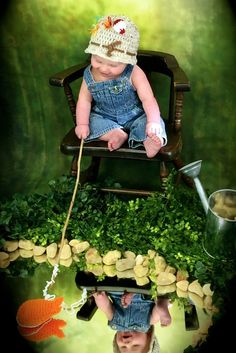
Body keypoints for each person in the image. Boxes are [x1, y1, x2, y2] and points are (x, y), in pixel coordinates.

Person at [75, 15, 167, 158]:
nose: (104, 69)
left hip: (135, 115)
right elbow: (84, 100)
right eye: (98, 61)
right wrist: (82, 124)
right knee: (91, 122)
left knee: (152, 123)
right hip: (104, 115)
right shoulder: (90, 74)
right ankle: (115, 133)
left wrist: (153, 122)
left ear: (127, 62)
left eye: (113, 65)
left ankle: (151, 140)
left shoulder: (134, 72)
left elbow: (148, 99)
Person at [93, 291, 172, 353]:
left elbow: (106, 307)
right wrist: (161, 311)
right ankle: (161, 303)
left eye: (123, 347)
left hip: (118, 290)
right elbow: (155, 316)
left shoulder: (115, 321)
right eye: (135, 345)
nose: (127, 344)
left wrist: (100, 297)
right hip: (143, 293)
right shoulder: (149, 321)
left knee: (101, 295)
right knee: (156, 317)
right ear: (149, 336)